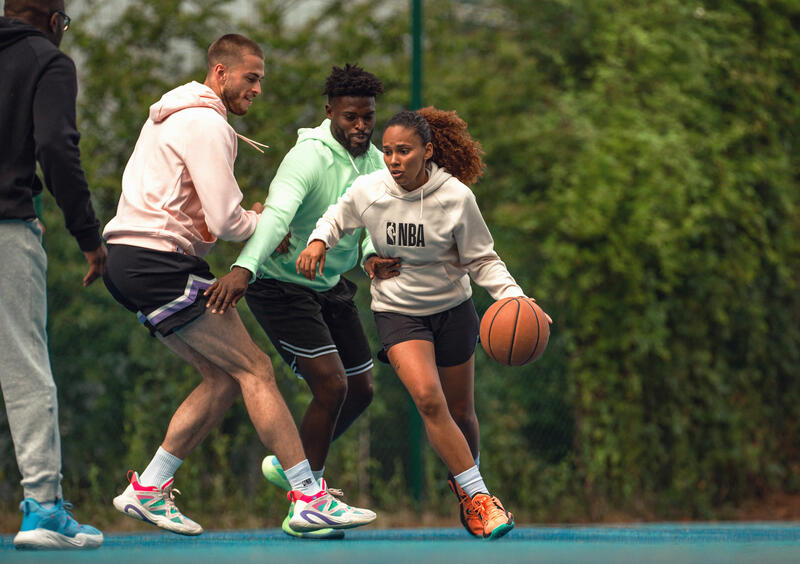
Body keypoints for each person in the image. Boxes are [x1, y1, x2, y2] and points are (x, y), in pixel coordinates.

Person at [102, 35, 376, 536]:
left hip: (131, 262)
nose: (256, 89)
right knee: (255, 369)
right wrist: (266, 231)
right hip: (159, 261)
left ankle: (149, 488)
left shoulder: (172, 112)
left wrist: (244, 221)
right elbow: (227, 219)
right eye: (250, 79)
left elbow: (203, 210)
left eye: (260, 81)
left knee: (225, 377)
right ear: (220, 72)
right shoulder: (207, 122)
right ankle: (307, 497)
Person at [297, 107, 553, 540]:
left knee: (461, 413)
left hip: (454, 311)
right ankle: (481, 498)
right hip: (398, 313)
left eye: (404, 151)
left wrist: (515, 297)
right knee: (429, 401)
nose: (394, 160)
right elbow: (337, 217)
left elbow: (482, 259)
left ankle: (467, 494)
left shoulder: (455, 198)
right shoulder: (370, 189)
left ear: (427, 151)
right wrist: (319, 241)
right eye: (388, 151)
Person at [205, 63, 395, 538]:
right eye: (351, 117)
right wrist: (244, 269)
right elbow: (276, 217)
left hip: (329, 286)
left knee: (362, 389)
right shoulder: (307, 158)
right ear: (330, 111)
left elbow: (373, 226)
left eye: (368, 117)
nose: (360, 127)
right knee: (331, 385)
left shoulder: (375, 163)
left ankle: (299, 473)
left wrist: (371, 259)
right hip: (279, 285)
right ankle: (305, 498)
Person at [0, 0, 106, 550]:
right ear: (49, 18)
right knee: (24, 369)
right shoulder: (46, 61)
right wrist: (89, 236)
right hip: (6, 229)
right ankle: (42, 507)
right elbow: (56, 149)